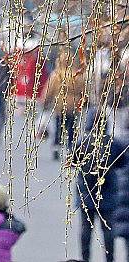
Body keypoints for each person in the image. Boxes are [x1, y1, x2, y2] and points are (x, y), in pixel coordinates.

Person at [73, 112, 128, 262]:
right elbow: (123, 162)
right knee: (108, 229)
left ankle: (85, 258)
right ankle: (109, 258)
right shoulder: (113, 143)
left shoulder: (82, 142)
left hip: (86, 192)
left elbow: (73, 161)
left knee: (86, 229)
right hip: (108, 193)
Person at [43, 48, 87, 160]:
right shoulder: (77, 76)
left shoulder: (57, 75)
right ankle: (71, 148)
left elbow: (49, 90)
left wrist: (46, 102)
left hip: (60, 105)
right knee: (72, 128)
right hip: (73, 106)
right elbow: (84, 92)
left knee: (59, 127)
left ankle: (56, 146)